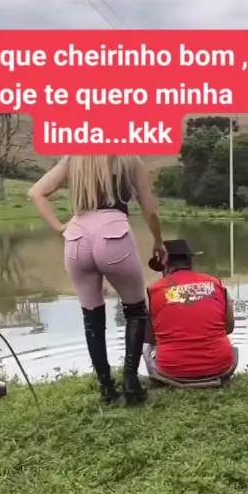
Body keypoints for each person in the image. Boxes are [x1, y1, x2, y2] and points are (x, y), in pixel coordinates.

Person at [28, 155, 167, 405]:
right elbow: (150, 211)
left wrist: (59, 227)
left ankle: (106, 387)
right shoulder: (129, 159)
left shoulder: (73, 159)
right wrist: (158, 242)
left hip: (77, 238)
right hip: (114, 235)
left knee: (92, 318)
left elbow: (36, 193)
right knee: (136, 311)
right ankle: (131, 383)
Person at [143, 239, 238, 387]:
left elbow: (149, 337)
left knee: (145, 346)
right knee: (227, 342)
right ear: (190, 261)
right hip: (221, 368)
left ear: (165, 264)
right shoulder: (215, 284)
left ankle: (167, 377)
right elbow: (229, 327)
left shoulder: (153, 291)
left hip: (171, 372)